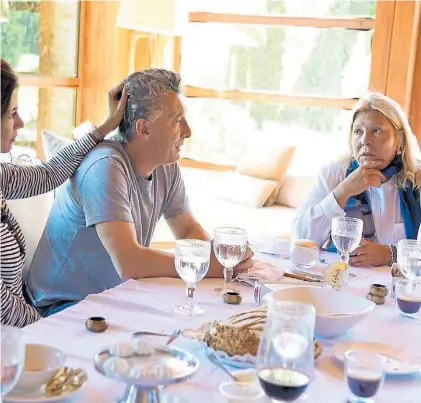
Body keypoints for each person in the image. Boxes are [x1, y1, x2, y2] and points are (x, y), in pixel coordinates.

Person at [26, 68, 253, 316]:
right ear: (143, 129)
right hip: (60, 307)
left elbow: (187, 229)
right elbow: (129, 261)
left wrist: (221, 257)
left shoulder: (165, 164)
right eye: (177, 120)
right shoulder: (105, 166)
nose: (187, 131)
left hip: (110, 298)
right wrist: (209, 266)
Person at [0, 59, 128, 327]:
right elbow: (3, 307)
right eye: (12, 113)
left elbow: (48, 175)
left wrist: (105, 127)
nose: (21, 122)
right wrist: (51, 328)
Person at [293, 92, 421, 267]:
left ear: (399, 139)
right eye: (358, 131)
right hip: (339, 283)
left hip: (396, 290)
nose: (365, 140)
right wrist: (342, 192)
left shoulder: (416, 182)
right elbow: (300, 237)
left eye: (376, 131)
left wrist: (390, 254)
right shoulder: (333, 174)